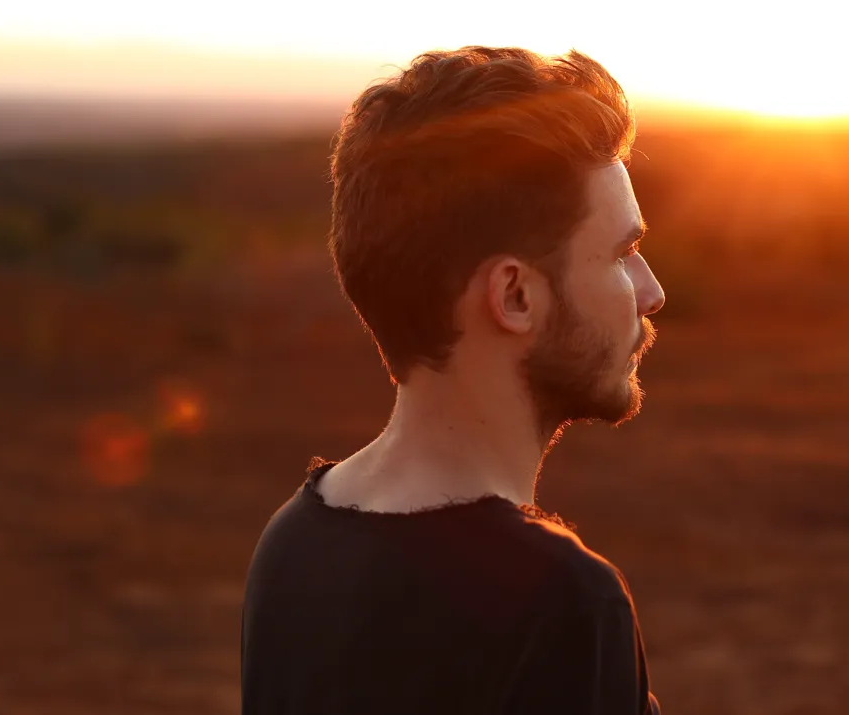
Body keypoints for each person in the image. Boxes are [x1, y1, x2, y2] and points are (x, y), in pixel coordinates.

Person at [241, 46, 666, 714]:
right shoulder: (560, 602)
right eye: (623, 254)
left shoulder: (293, 544)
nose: (652, 292)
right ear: (515, 296)